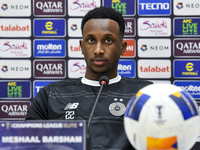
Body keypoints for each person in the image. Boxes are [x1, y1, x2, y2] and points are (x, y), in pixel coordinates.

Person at [26, 7, 152, 150]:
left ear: (122, 47)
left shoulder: (144, 94)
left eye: (108, 40)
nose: (98, 50)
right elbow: (29, 144)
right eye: (91, 40)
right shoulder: (50, 95)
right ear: (81, 46)